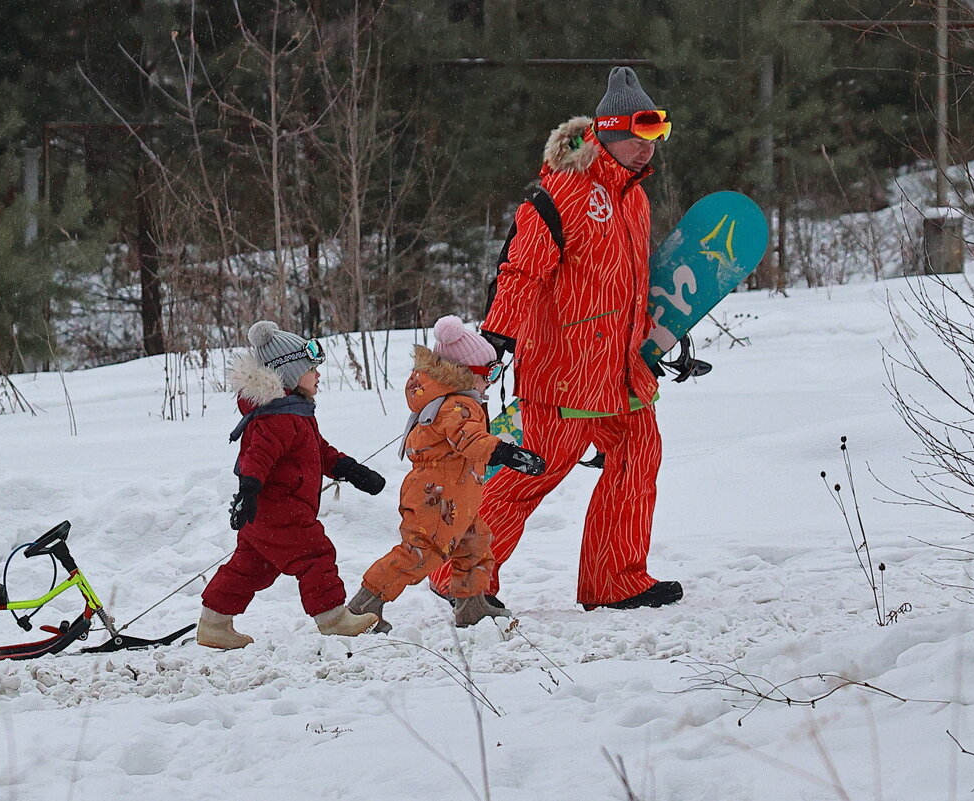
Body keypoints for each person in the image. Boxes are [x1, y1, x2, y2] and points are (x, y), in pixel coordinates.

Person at [427, 67, 683, 612]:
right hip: (564, 369)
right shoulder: (563, 191)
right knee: (532, 473)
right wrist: (496, 338)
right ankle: (459, 574)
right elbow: (521, 271)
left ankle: (616, 581)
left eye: (656, 136)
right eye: (640, 136)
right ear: (610, 133)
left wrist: (658, 337)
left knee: (638, 457)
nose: (648, 148)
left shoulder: (635, 199)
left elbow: (632, 283)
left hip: (621, 371)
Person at [346, 316, 545, 630]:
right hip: (437, 495)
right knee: (420, 553)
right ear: (464, 373)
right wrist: (506, 453)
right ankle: (364, 606)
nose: (492, 381)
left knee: (475, 544)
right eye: (490, 373)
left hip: (457, 492)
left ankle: (471, 604)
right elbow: (469, 439)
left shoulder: (454, 401)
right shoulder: (457, 406)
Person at [198, 320, 387, 649]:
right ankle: (333, 619)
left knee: (251, 568)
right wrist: (248, 491)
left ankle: (213, 624)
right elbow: (256, 458)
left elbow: (319, 452)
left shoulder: (294, 412)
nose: (318, 375)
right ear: (288, 373)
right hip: (280, 510)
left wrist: (352, 470)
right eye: (311, 369)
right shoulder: (277, 418)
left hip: (268, 514)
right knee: (315, 554)